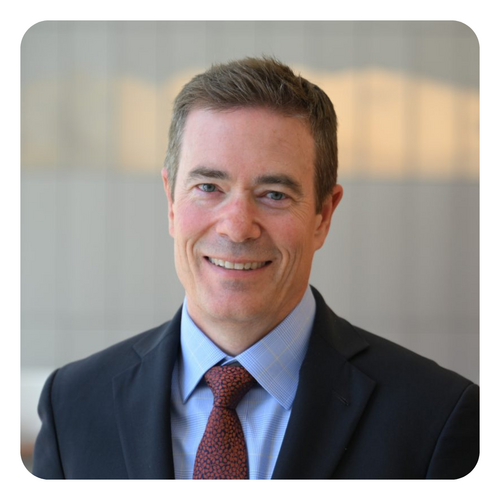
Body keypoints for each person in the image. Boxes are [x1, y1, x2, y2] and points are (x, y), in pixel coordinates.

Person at [32, 57, 479, 480]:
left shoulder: (437, 417)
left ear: (323, 215)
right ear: (171, 202)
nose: (237, 227)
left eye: (274, 194)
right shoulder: (71, 405)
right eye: (208, 186)